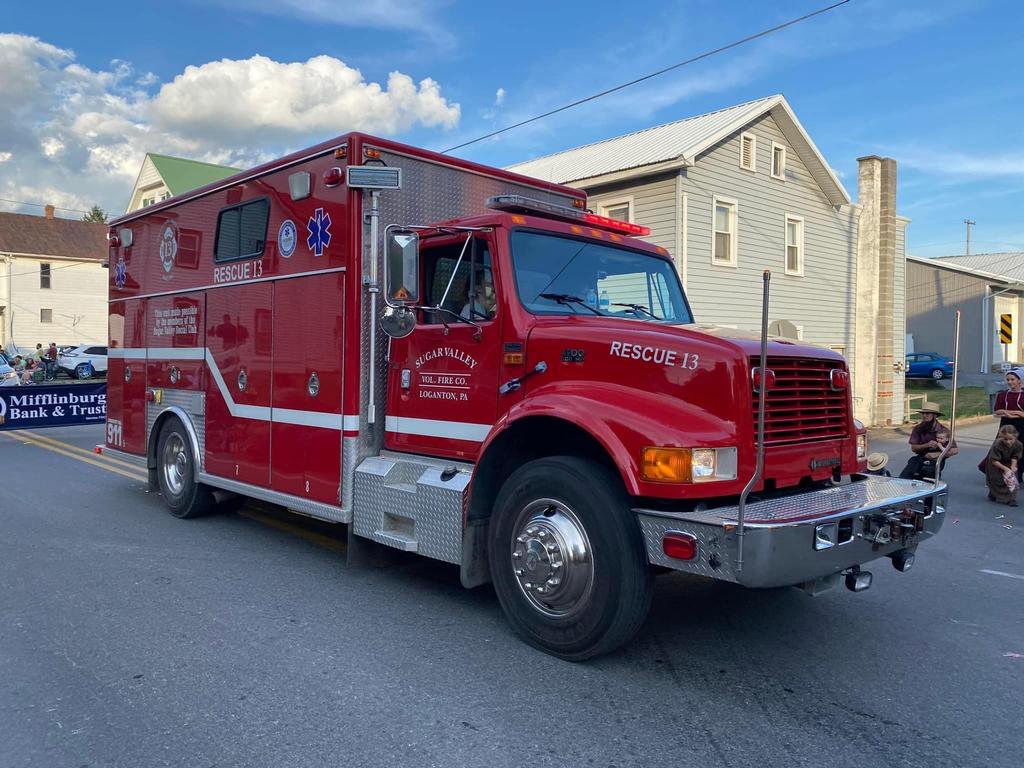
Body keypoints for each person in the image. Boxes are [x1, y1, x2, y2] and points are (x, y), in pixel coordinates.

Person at [898, 401, 958, 479]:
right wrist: (927, 445)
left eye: (927, 414)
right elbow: (914, 448)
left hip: (937, 459)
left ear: (935, 416)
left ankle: (934, 487)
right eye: (923, 414)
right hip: (921, 456)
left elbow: (955, 450)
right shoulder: (918, 428)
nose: (924, 416)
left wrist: (937, 455)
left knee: (929, 471)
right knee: (907, 473)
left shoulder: (943, 431)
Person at [991, 367, 1024, 482]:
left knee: (1019, 449)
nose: (1010, 382)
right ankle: (999, 474)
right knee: (1001, 448)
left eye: (1013, 379)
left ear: (1019, 380)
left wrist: (1010, 413)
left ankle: (1018, 474)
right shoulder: (1003, 395)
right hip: (1005, 425)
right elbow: (997, 411)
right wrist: (1009, 413)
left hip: (1021, 426)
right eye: (1008, 379)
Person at [985, 425, 1022, 506]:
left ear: (1015, 437)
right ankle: (993, 493)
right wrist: (1005, 469)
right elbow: (994, 460)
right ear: (1002, 437)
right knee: (996, 479)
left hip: (1008, 462)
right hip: (995, 462)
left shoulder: (1019, 445)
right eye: (1005, 439)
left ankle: (1011, 499)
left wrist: (1013, 466)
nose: (1008, 442)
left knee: (1011, 480)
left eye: (1010, 439)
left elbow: (1015, 456)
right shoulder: (997, 444)